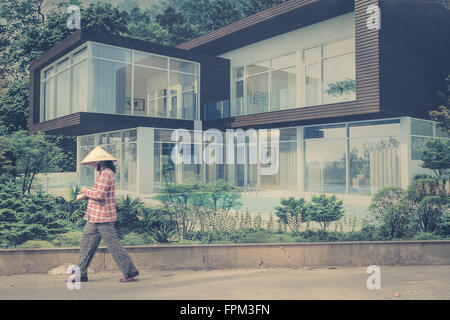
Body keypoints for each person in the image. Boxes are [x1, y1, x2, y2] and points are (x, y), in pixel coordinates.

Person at [68, 146, 139, 283]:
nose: (93, 165)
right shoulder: (102, 174)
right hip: (94, 216)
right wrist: (84, 196)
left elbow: (100, 195)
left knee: (113, 245)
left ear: (100, 162)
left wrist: (86, 190)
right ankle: (80, 274)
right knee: (86, 244)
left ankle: (130, 272)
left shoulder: (106, 174)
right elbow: (99, 194)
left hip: (102, 217)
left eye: (94, 162)